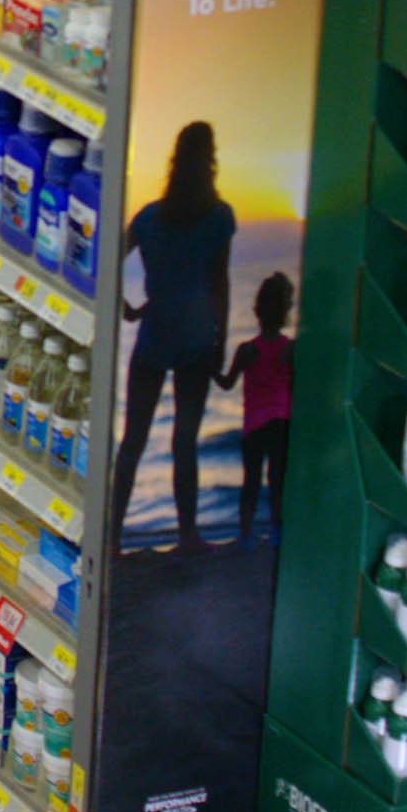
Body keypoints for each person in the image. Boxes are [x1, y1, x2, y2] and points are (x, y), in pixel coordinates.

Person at [115, 120, 233, 552]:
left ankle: (110, 538)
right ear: (210, 161)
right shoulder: (219, 218)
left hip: (154, 336)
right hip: (197, 339)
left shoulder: (149, 218)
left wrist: (126, 306)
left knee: (133, 441)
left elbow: (109, 260)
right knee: (185, 441)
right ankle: (187, 536)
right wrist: (220, 342)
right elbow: (219, 283)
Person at [221, 271, 294, 549]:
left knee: (250, 482)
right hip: (281, 422)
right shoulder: (290, 350)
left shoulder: (247, 350)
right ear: (286, 311)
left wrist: (209, 369)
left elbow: (227, 384)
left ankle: (246, 534)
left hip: (253, 425)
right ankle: (276, 533)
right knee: (277, 481)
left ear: (256, 311)